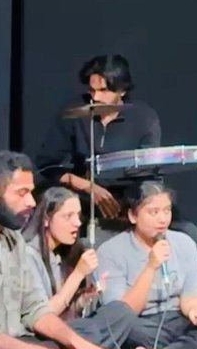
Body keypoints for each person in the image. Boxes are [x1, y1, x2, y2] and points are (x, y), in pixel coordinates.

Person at [0, 151, 137, 349]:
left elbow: (35, 310)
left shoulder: (12, 240)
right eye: (21, 193)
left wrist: (81, 346)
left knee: (101, 325)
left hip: (19, 343)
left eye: (31, 192)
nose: (31, 202)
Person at [96, 182, 197, 349]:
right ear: (133, 216)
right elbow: (119, 316)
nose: (163, 219)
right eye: (154, 212)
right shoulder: (110, 251)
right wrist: (151, 266)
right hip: (141, 323)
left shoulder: (184, 243)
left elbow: (191, 296)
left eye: (167, 211)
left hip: (177, 318)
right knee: (119, 331)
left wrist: (196, 310)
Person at [36, 54, 161, 225]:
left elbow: (149, 172)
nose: (96, 98)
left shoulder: (144, 118)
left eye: (104, 91)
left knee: (185, 229)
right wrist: (88, 186)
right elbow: (47, 165)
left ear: (122, 90)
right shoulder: (74, 113)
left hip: (129, 201)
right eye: (92, 90)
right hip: (83, 198)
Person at [22, 187, 105, 322]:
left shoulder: (57, 255)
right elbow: (43, 315)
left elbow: (63, 314)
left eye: (78, 215)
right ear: (46, 219)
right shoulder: (29, 255)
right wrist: (78, 274)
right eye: (68, 216)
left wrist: (84, 298)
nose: (78, 223)